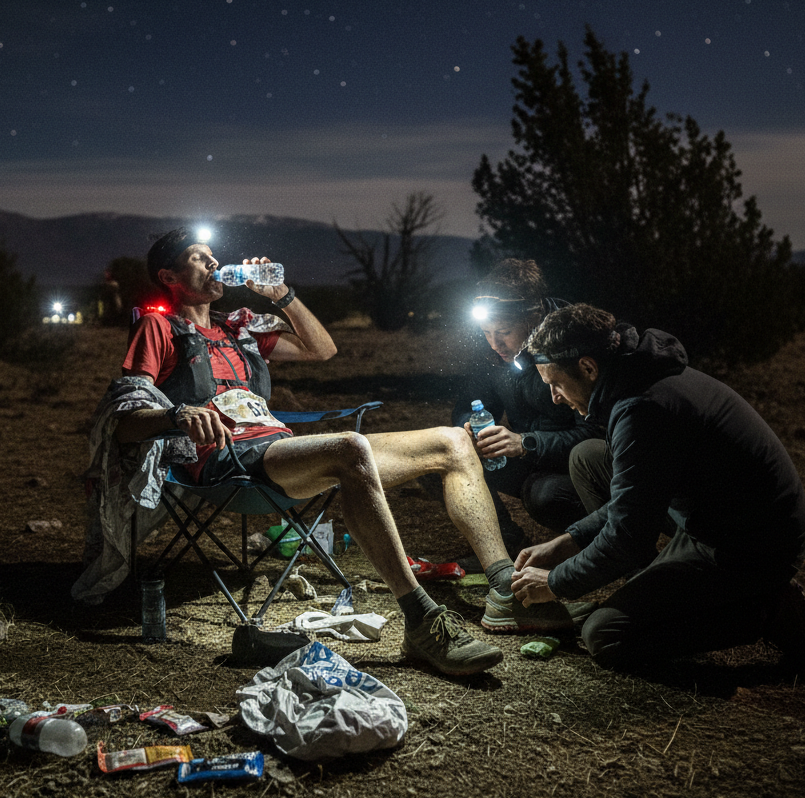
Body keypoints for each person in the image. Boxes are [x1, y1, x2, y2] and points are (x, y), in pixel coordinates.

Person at [88, 228, 577, 674]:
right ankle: (421, 620)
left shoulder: (238, 328)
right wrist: (176, 416)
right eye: (199, 258)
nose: (214, 264)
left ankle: (500, 588)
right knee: (349, 448)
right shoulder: (159, 328)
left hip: (280, 450)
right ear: (169, 276)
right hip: (224, 460)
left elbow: (323, 350)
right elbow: (125, 419)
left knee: (453, 441)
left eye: (214, 255)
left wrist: (282, 295)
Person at [510, 303, 805, 678]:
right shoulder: (638, 375)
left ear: (588, 367)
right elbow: (636, 496)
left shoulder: (643, 407)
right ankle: (657, 590)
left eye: (556, 383)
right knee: (590, 458)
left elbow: (629, 533)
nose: (555, 397)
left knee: (606, 635)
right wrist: (567, 542)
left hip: (749, 545)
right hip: (717, 515)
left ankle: (766, 611)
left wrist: (556, 582)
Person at [451, 259, 597, 565]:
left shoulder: (568, 346)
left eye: (503, 331)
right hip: (526, 457)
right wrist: (468, 428)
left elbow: (596, 436)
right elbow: (470, 403)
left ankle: (591, 544)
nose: (494, 344)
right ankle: (504, 545)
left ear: (534, 317)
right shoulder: (496, 353)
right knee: (445, 457)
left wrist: (526, 442)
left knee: (543, 496)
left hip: (575, 466)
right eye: (486, 332)